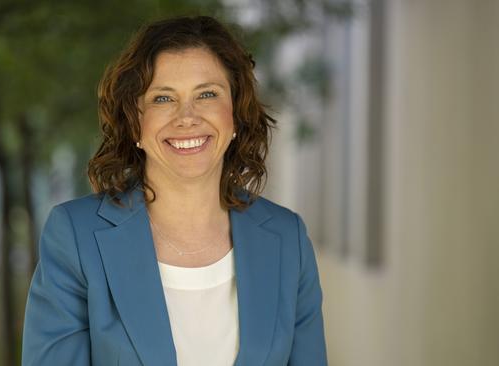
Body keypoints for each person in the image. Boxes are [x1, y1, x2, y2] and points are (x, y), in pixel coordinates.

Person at [22, 15, 327, 366]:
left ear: (235, 117)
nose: (187, 116)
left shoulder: (287, 239)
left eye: (207, 94)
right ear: (135, 121)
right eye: (163, 98)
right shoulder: (76, 237)